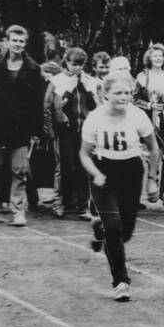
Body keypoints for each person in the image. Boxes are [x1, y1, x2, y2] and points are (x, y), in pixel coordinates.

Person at [80, 72, 161, 301]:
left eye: (127, 93)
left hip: (131, 172)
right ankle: (121, 281)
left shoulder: (138, 116)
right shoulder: (95, 118)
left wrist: (152, 180)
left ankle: (100, 229)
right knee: (114, 226)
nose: (124, 97)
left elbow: (154, 148)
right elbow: (84, 154)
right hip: (104, 172)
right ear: (105, 94)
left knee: (124, 231)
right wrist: (95, 173)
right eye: (118, 93)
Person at [0, 24, 44, 227]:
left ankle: (17, 210)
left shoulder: (33, 68)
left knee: (19, 169)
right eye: (14, 40)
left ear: (25, 44)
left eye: (21, 41)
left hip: (20, 127)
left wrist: (36, 130)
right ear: (7, 42)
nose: (17, 44)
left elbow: (36, 102)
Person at [43, 47, 100, 219]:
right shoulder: (57, 80)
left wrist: (87, 88)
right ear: (67, 62)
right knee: (64, 167)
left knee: (84, 168)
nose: (78, 68)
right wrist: (50, 131)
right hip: (65, 130)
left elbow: (93, 106)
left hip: (83, 129)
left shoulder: (88, 80)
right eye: (74, 64)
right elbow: (50, 106)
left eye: (81, 64)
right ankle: (59, 202)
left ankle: (83, 206)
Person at [133, 43, 164, 209]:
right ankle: (151, 187)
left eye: (161, 56)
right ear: (149, 58)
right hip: (148, 121)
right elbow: (134, 99)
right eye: (155, 56)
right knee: (150, 152)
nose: (158, 59)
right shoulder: (142, 76)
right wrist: (149, 106)